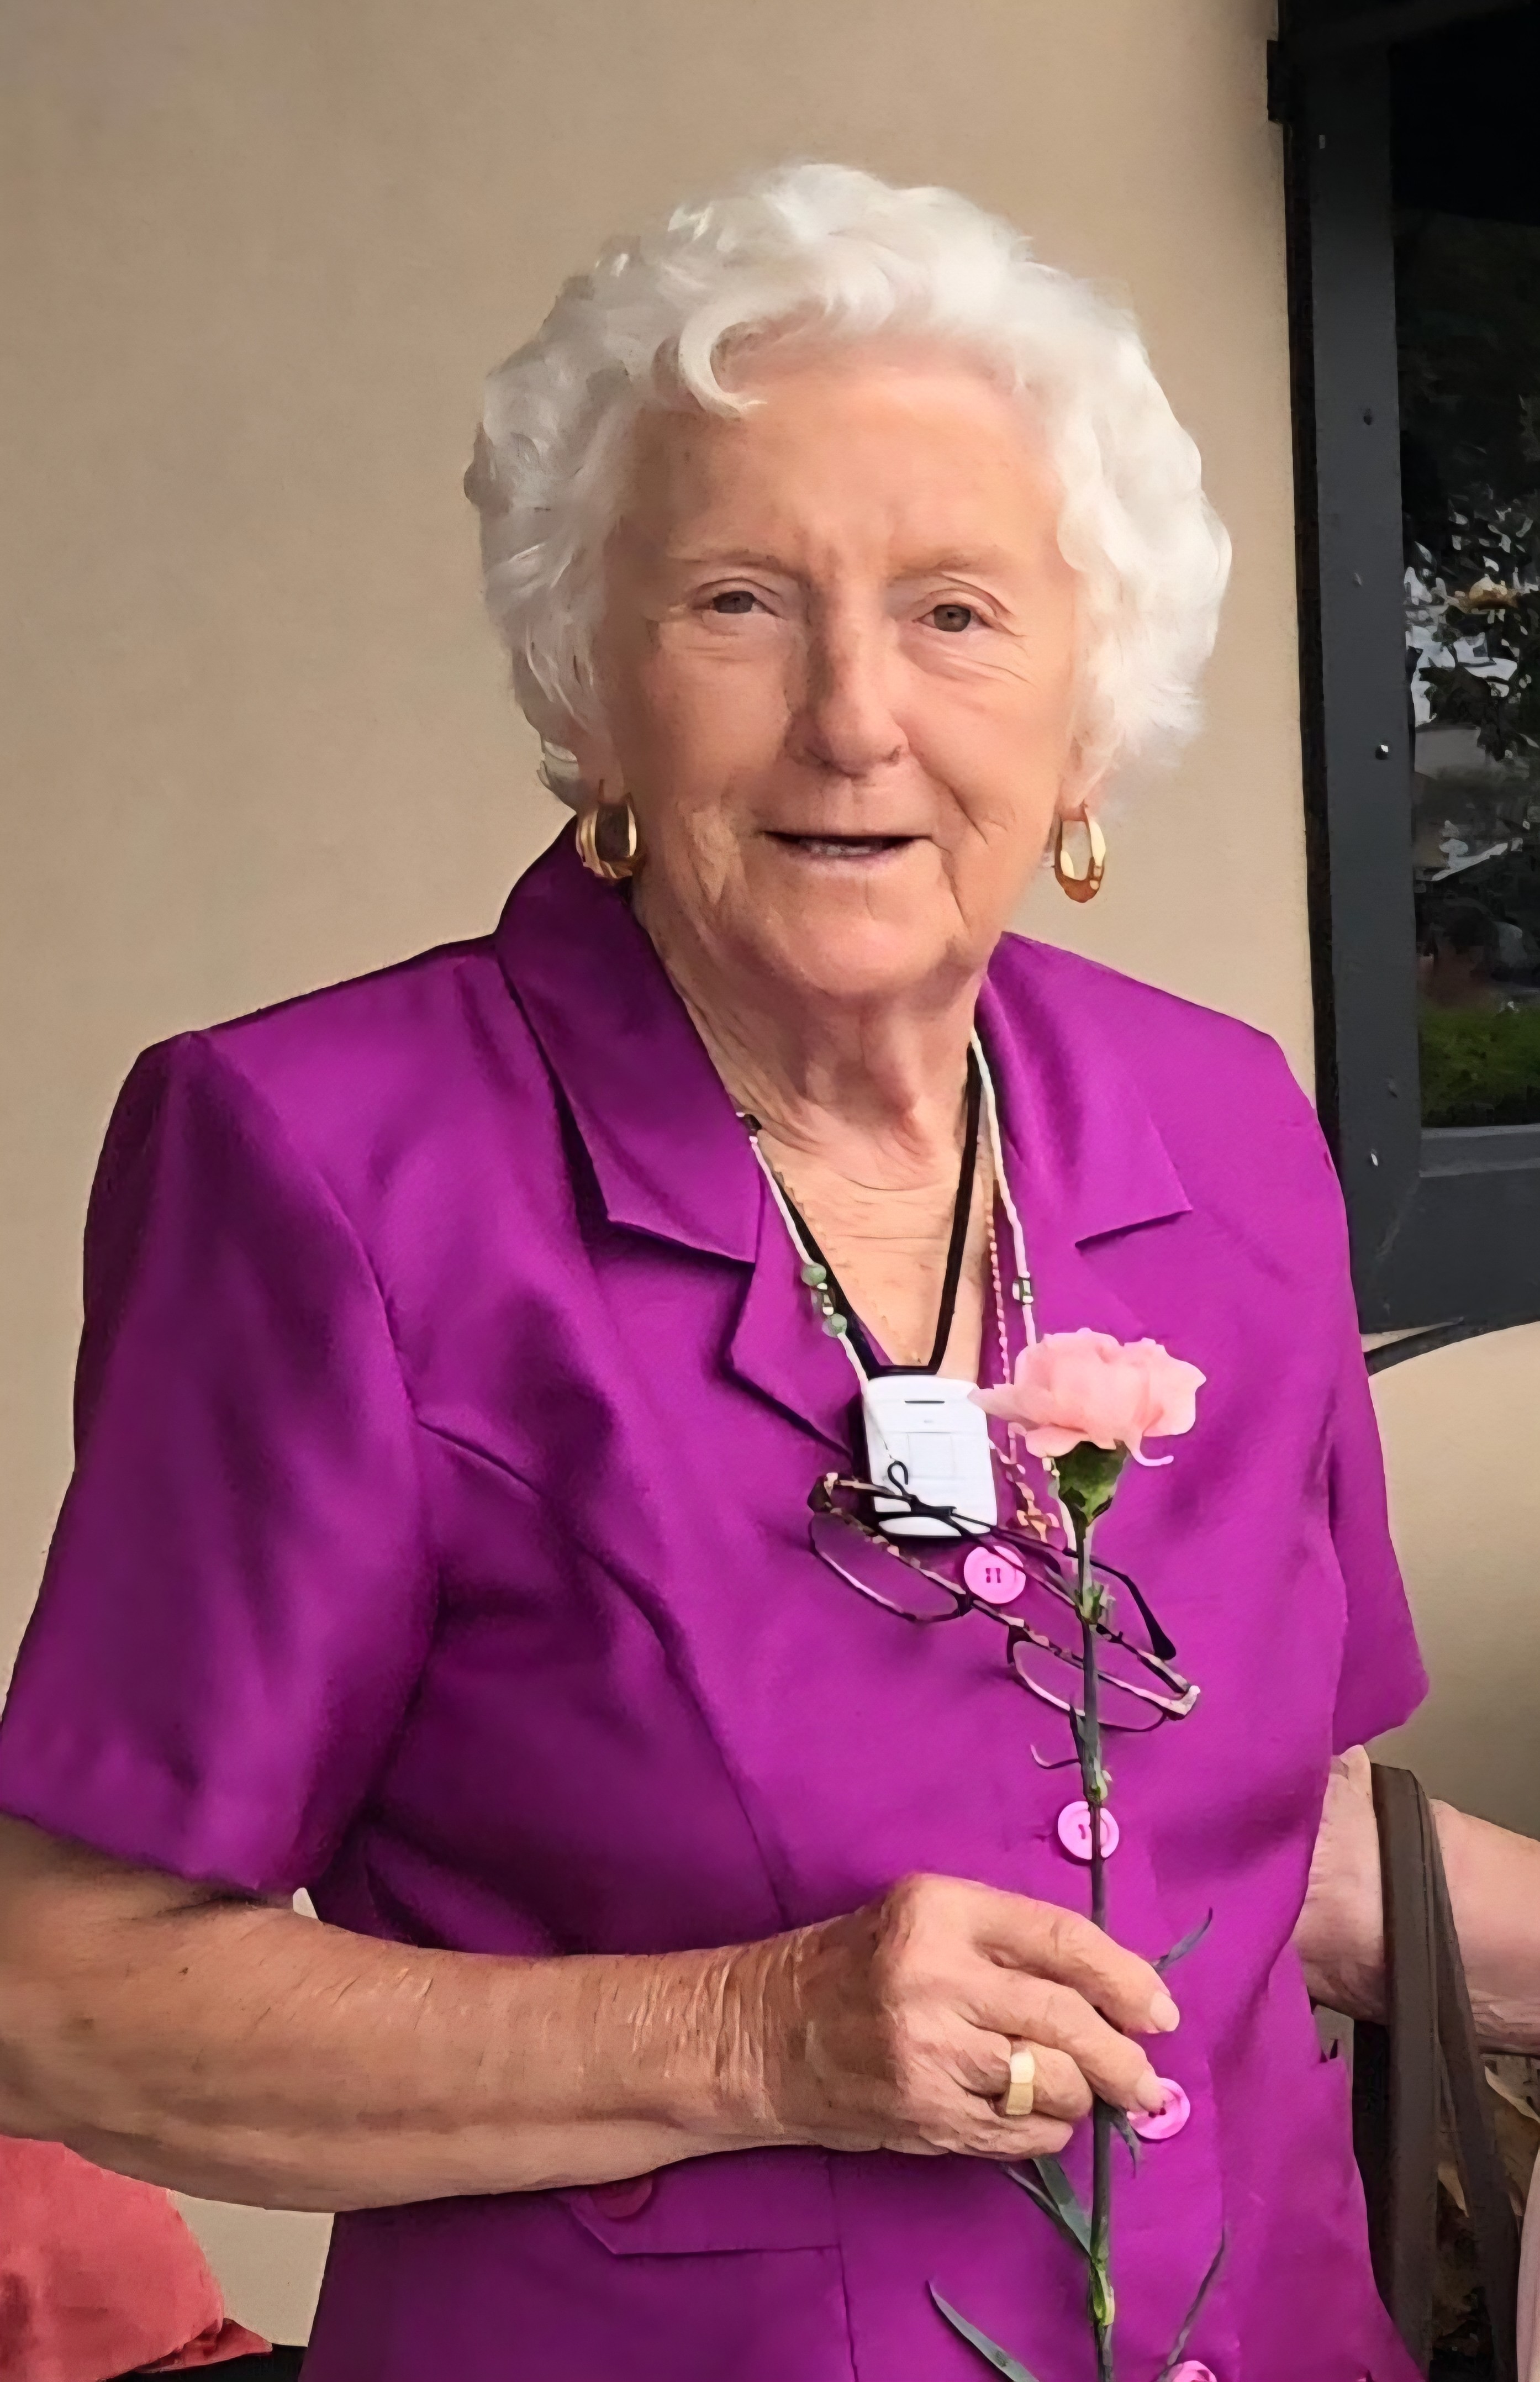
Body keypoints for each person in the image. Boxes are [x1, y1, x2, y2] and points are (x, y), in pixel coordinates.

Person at [0, 162, 1535, 2382]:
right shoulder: (332, 1163)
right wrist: (754, 2033)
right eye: (737, 601)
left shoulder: (1217, 1123)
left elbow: (1273, 1840)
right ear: (591, 684)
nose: (850, 717)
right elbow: (59, 1992)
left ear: (1086, 715)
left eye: (955, 613)